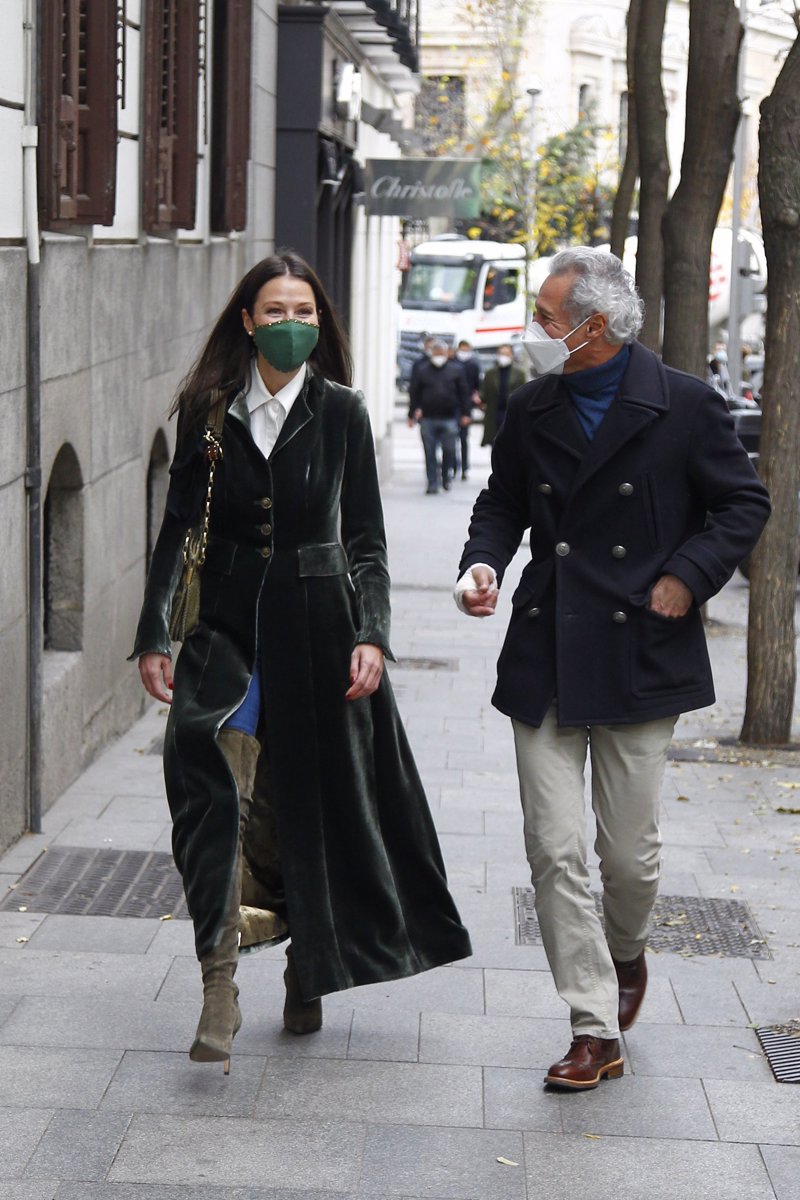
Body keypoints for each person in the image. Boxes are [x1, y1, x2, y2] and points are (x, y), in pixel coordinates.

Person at [132, 251, 471, 1072]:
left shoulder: (343, 412)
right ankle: (218, 982)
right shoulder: (209, 411)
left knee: (304, 804)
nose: (292, 324)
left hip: (320, 633)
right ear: (248, 322)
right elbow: (179, 529)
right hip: (225, 635)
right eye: (277, 311)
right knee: (210, 791)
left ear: (322, 323)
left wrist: (373, 635)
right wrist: (153, 635)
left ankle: (307, 966)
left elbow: (367, 542)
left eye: (305, 312)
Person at [454, 247, 770, 1091]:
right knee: (553, 849)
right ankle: (593, 1026)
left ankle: (626, 950)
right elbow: (503, 503)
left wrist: (686, 577)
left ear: (593, 326)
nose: (534, 328)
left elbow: (744, 503)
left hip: (641, 650)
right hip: (548, 650)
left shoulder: (687, 405)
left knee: (628, 858)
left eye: (546, 317)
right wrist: (482, 563)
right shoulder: (532, 406)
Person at [408, 338, 471, 493]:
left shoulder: (456, 370)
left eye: (441, 353)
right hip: (428, 418)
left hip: (449, 418)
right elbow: (414, 393)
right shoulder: (422, 370)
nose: (438, 356)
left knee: (449, 450)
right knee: (429, 453)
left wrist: (466, 413)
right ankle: (432, 482)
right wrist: (411, 414)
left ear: (446, 353)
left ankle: (445, 475)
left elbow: (464, 393)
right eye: (436, 353)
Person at [479, 344, 526, 447]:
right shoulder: (490, 373)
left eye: (506, 354)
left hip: (510, 413)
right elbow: (484, 393)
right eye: (501, 354)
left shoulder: (519, 374)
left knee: (511, 444)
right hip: (494, 414)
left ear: (511, 355)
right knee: (494, 444)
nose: (503, 356)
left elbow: (524, 395)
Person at [454, 339, 482, 480]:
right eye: (462, 349)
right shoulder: (453, 363)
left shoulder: (473, 365)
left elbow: (477, 386)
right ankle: (453, 466)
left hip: (467, 406)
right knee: (451, 439)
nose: (464, 352)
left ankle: (464, 468)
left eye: (466, 349)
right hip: (453, 405)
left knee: (464, 438)